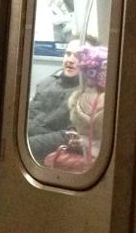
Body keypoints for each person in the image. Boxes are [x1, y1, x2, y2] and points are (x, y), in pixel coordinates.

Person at [43, 46, 108, 174]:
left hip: (89, 159)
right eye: (67, 54)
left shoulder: (79, 98)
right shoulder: (113, 101)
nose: (70, 60)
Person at [26, 37, 88, 160]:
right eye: (68, 54)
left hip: (40, 150)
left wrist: (26, 143)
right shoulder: (46, 83)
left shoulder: (87, 94)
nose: (70, 60)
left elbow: (69, 135)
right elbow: (28, 116)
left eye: (77, 56)